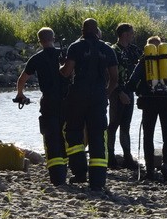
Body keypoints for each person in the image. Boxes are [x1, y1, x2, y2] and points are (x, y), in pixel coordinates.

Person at [60, 18, 118, 192]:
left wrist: (59, 66)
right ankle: (98, 181)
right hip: (98, 97)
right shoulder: (107, 49)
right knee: (97, 136)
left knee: (74, 134)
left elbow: (66, 72)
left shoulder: (75, 47)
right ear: (97, 30)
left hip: (78, 96)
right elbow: (114, 79)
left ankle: (79, 173)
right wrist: (106, 94)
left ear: (82, 30)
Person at [123, 35, 167, 182]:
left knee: (148, 137)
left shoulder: (144, 63)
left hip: (149, 103)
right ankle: (165, 164)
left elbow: (131, 84)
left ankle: (150, 170)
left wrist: (140, 91)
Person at [14, 27, 69, 186]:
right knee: (65, 135)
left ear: (40, 40)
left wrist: (20, 94)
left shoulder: (36, 58)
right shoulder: (63, 55)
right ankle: (67, 170)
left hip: (48, 101)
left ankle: (56, 176)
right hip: (66, 101)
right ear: (53, 38)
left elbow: (22, 79)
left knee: (51, 136)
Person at [107, 22, 140, 170]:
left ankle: (127, 157)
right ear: (125, 34)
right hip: (116, 92)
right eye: (131, 33)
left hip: (130, 91)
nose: (133, 36)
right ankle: (110, 156)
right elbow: (110, 74)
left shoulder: (133, 50)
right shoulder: (113, 51)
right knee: (113, 125)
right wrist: (119, 92)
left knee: (125, 125)